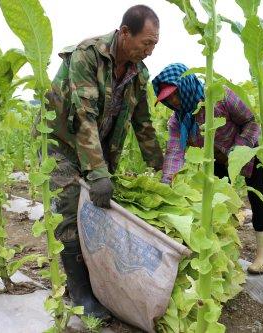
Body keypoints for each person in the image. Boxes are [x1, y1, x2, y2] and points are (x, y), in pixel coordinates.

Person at [45, 5, 164, 319]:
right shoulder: (87, 56)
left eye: (155, 44)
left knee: (97, 213)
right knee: (70, 208)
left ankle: (97, 283)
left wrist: (161, 169)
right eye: (146, 42)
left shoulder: (138, 73)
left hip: (98, 147)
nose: (150, 50)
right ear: (125, 32)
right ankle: (80, 294)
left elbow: (143, 124)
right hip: (62, 143)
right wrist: (98, 174)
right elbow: (84, 117)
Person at [153, 63, 263, 274]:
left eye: (174, 94)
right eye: (166, 98)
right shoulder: (178, 121)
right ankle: (223, 254)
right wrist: (166, 186)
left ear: (186, 85)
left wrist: (238, 152)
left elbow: (251, 121)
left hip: (249, 150)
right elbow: (174, 153)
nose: (172, 101)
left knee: (259, 199)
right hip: (217, 160)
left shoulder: (220, 97)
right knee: (217, 203)